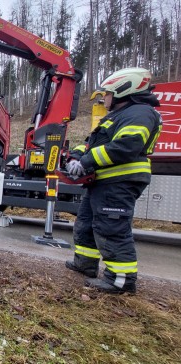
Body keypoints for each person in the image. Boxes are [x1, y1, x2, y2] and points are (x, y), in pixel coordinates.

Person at [65, 67, 162, 294]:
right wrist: (75, 157)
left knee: (111, 228)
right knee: (87, 223)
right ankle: (85, 263)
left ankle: (121, 281)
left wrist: (86, 162)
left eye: (106, 93)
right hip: (103, 182)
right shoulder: (117, 116)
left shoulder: (139, 113)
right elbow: (91, 144)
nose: (104, 98)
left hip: (119, 182)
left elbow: (126, 146)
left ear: (122, 90)